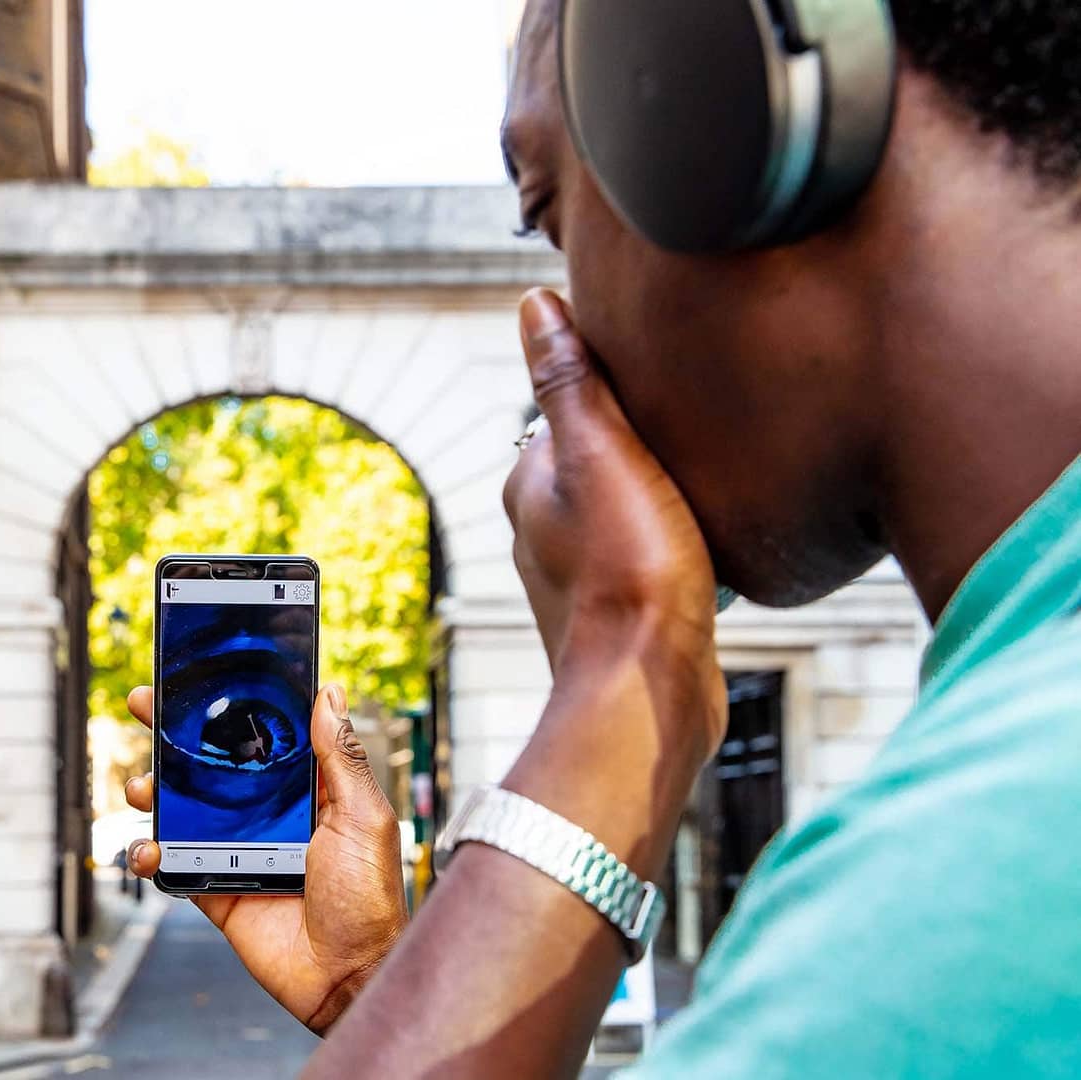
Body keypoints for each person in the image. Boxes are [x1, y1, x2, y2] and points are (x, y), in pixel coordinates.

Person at [123, 0, 1081, 1073]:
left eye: (551, 214)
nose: (563, 313)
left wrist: (623, 676)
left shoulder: (976, 881)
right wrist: (380, 997)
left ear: (726, 120)